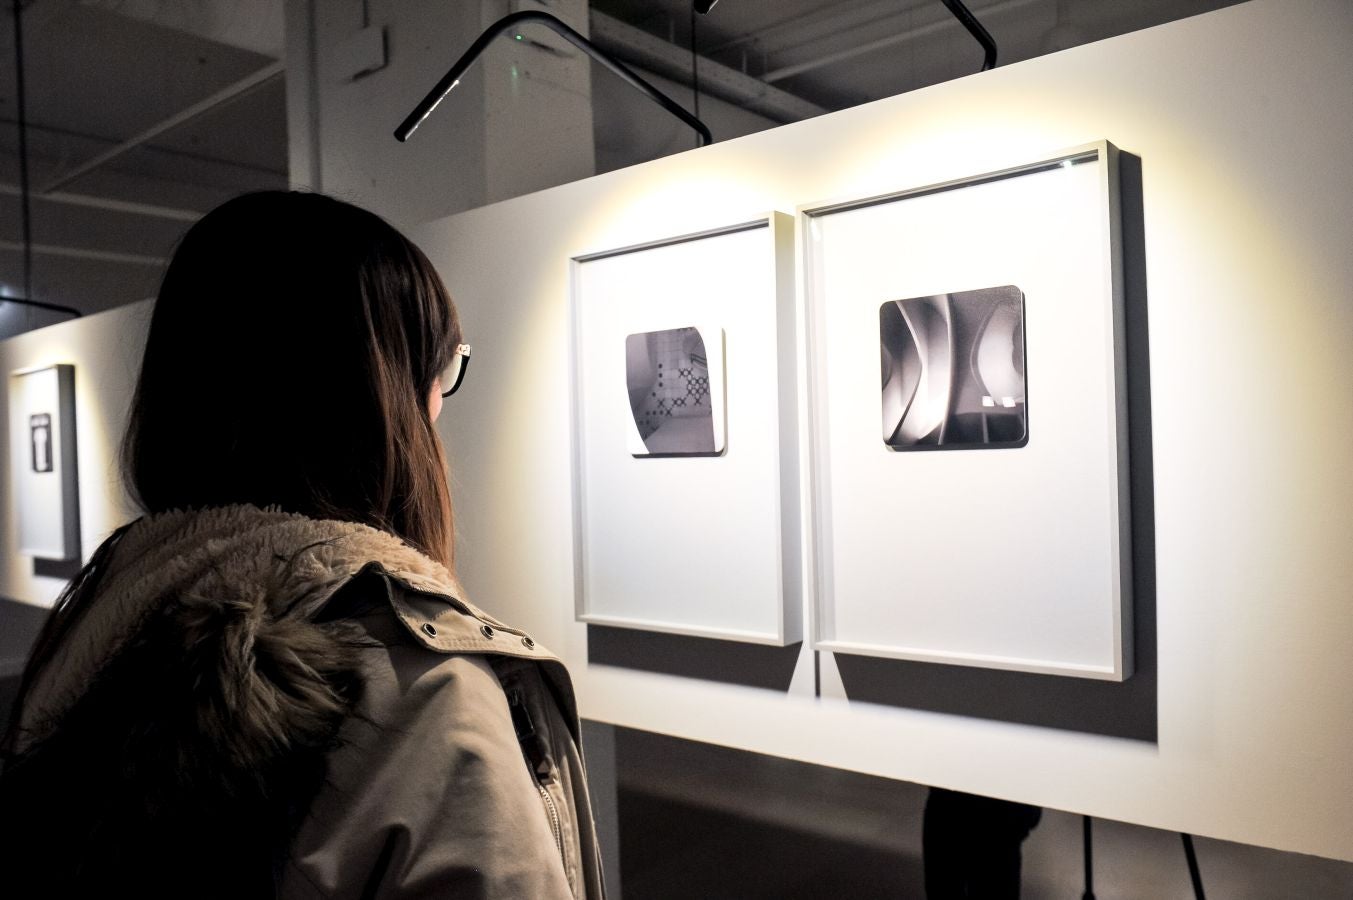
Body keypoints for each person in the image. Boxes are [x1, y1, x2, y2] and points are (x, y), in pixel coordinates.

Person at [0, 191, 605, 899]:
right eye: (440, 369)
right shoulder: (419, 688)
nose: (439, 403)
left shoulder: (108, 610)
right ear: (386, 394)